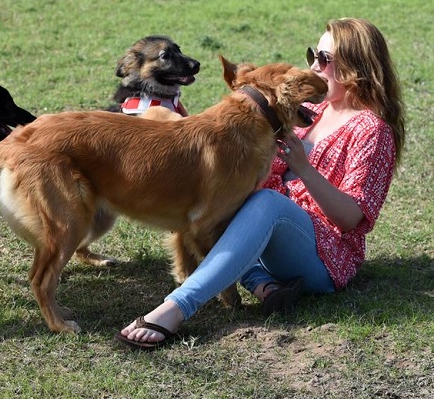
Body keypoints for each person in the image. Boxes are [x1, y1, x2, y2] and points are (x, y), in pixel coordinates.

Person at [115, 17, 406, 351]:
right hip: (265, 235)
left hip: (324, 256)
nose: (313, 66)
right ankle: (261, 284)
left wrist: (304, 169)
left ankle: (176, 308)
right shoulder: (309, 108)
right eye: (313, 54)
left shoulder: (372, 131)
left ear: (356, 67)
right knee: (226, 198)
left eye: (324, 59)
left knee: (266, 203)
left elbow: (351, 218)